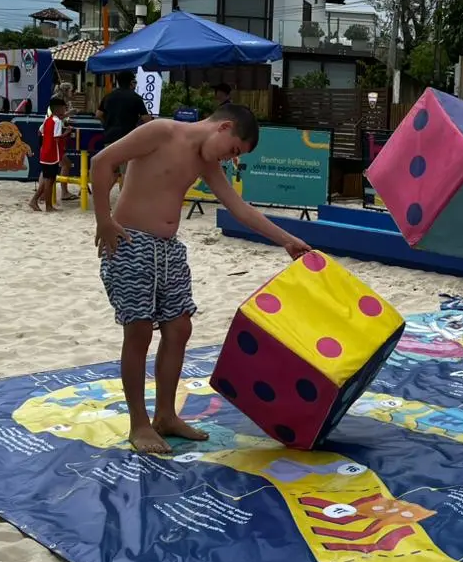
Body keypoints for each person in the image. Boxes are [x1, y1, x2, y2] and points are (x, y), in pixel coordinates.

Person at [91, 102, 311, 455]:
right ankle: (139, 423)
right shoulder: (162, 131)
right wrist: (104, 219)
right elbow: (103, 161)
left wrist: (287, 240)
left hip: (169, 249)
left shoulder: (207, 162)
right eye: (233, 150)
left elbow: (239, 208)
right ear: (223, 128)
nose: (229, 159)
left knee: (179, 328)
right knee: (139, 330)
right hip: (130, 242)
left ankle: (165, 415)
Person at [96, 71, 150, 185]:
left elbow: (98, 115)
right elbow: (147, 120)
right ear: (131, 83)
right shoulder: (136, 98)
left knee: (113, 172)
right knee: (126, 172)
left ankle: (102, 198)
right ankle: (123, 201)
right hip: (127, 139)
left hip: (109, 138)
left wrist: (107, 124)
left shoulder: (108, 97)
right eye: (134, 82)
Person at [30, 96, 69, 212]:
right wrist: (66, 132)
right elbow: (57, 138)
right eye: (64, 108)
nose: (65, 110)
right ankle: (48, 206)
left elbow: (40, 132)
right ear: (58, 109)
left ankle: (35, 201)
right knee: (49, 180)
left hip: (45, 153)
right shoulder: (57, 121)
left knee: (48, 179)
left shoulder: (47, 119)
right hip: (52, 154)